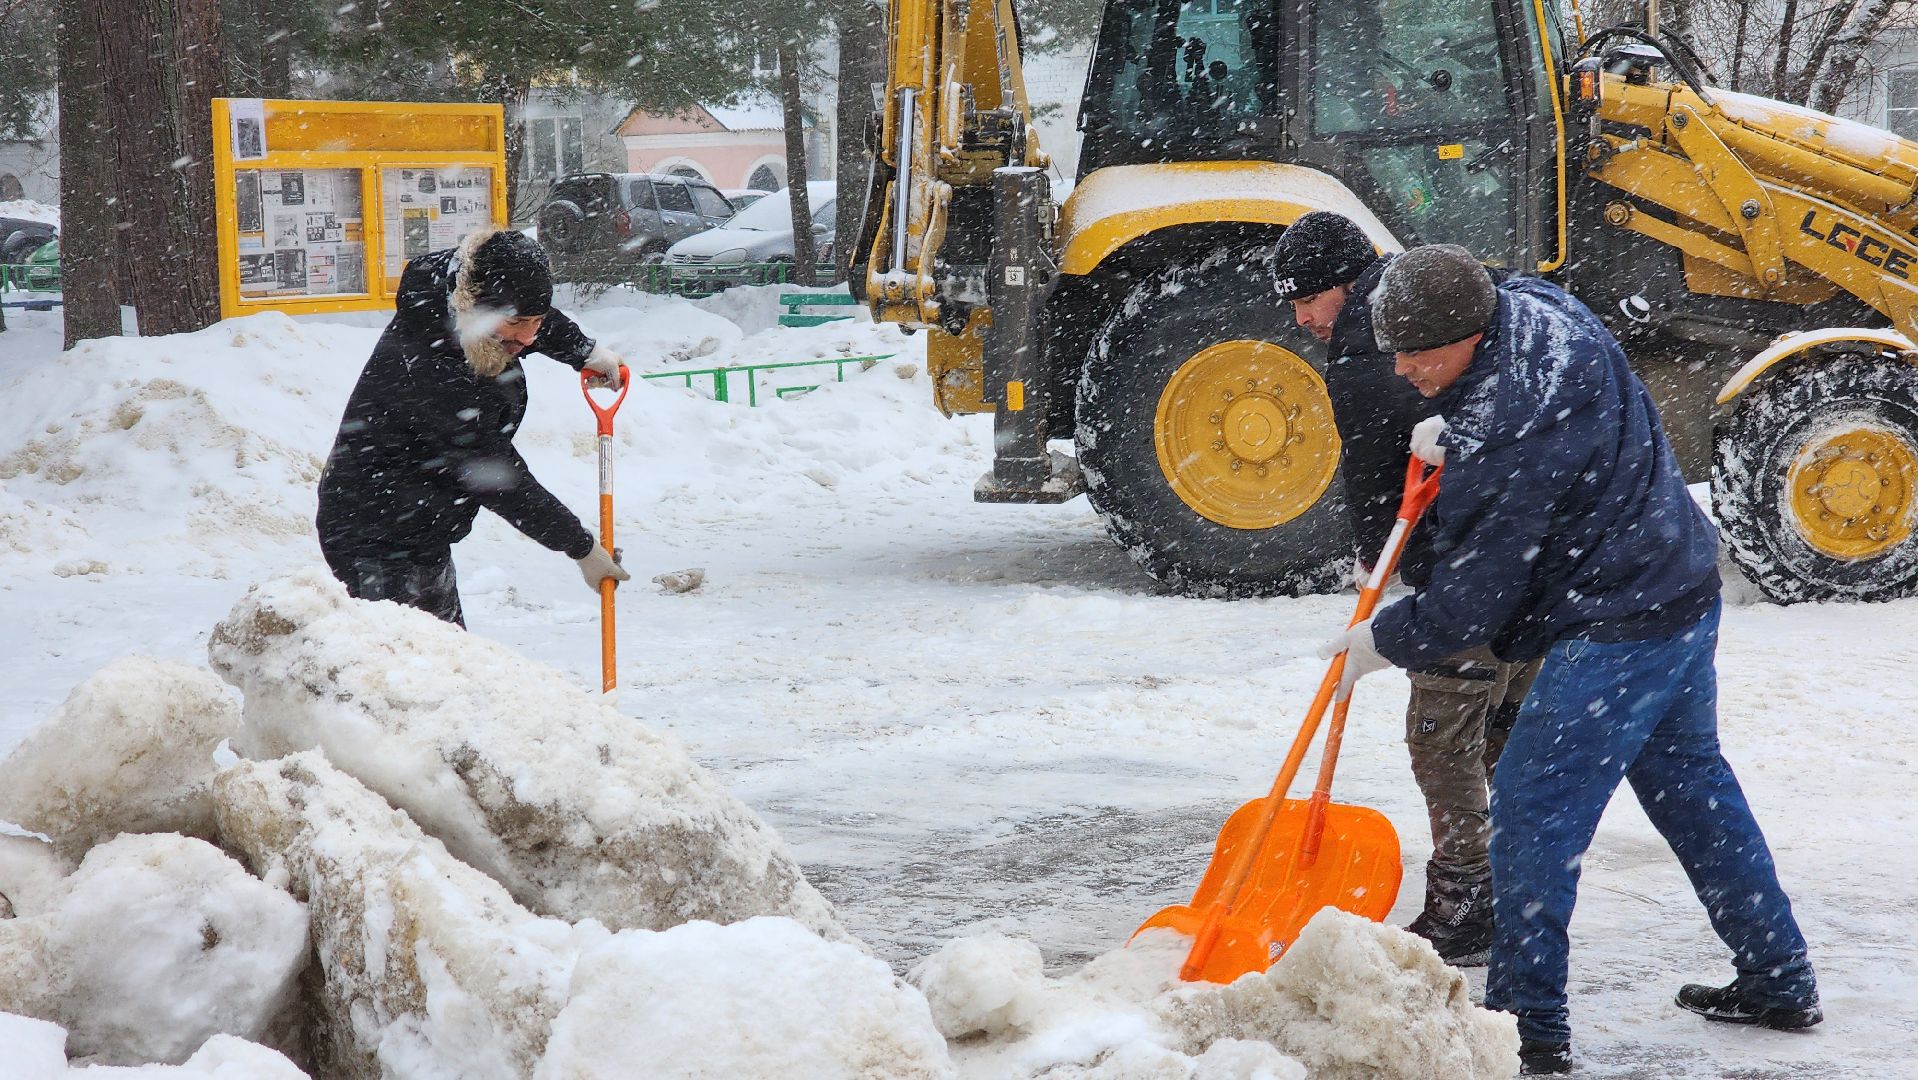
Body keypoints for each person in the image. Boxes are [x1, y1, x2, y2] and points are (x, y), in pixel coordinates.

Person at [1320, 245, 1820, 1074]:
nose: (1404, 370)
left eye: (1421, 355)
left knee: (1530, 811)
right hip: (1677, 583)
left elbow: (1477, 597)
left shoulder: (1510, 426)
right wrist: (1460, 422)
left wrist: (1381, 643)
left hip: (1621, 616)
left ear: (1475, 336)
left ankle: (1528, 1033)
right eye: (1397, 352)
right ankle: (1777, 975)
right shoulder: (1531, 305)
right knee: (1692, 788)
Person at [1274, 212, 1540, 967]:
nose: (1300, 319)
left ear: (1348, 285)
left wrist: (1372, 561)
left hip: (1464, 571)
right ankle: (1521, 887)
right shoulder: (1450, 305)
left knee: (1442, 737)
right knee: (1504, 730)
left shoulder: (1367, 350)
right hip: (1535, 563)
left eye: (1307, 299)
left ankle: (1463, 908)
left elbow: (1368, 465)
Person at [316, 227, 631, 627]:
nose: (528, 337)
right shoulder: (435, 371)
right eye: (517, 323)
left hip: (418, 522)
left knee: (446, 661)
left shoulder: (467, 292)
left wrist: (584, 352)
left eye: (534, 321)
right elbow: (497, 476)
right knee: (405, 670)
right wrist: (581, 547)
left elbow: (532, 316)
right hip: (374, 533)